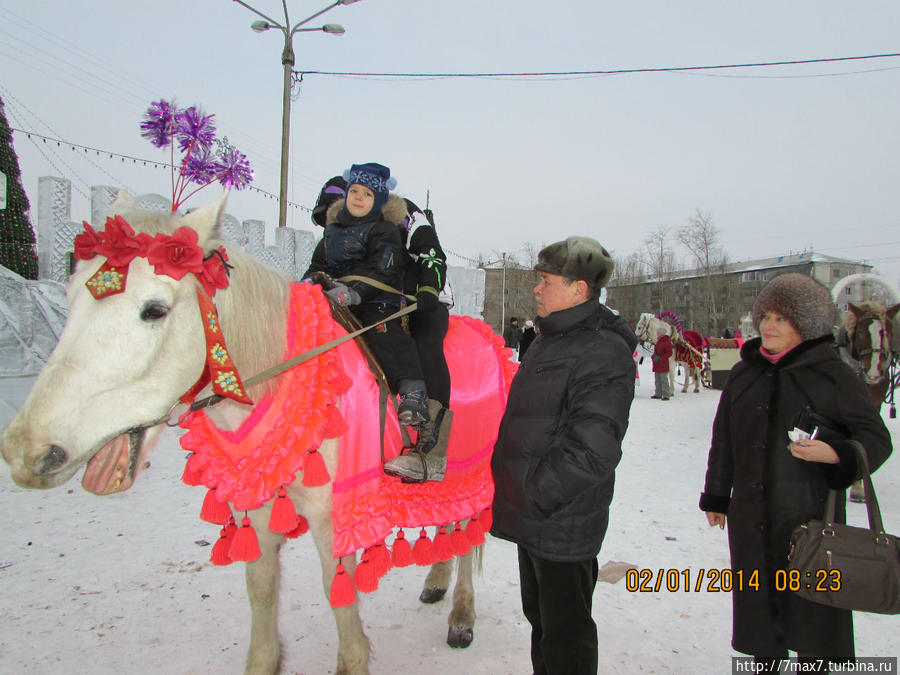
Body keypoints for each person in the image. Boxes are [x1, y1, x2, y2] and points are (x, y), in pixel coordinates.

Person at [699, 273, 892, 669]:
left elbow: (877, 439)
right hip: (750, 520)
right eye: (765, 316)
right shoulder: (744, 372)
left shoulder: (833, 374)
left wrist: (836, 454)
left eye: (782, 319)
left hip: (810, 523)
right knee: (761, 627)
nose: (768, 326)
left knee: (814, 625)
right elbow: (724, 439)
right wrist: (718, 496)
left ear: (806, 325)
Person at [490, 236, 637, 675]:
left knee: (566, 637)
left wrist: (535, 493)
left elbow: (594, 448)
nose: (536, 289)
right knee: (544, 627)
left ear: (578, 289)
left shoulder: (601, 349)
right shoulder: (550, 338)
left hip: (562, 517)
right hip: (536, 515)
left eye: (546, 281)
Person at [309, 176, 453, 482]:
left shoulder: (403, 212)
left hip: (419, 299)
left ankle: (431, 451)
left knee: (425, 341)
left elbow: (431, 251)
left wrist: (429, 287)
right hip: (365, 300)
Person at [303, 162, 429, 427]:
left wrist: (356, 293)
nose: (359, 198)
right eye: (355, 192)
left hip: (374, 300)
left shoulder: (384, 230)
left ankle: (413, 391)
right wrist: (306, 285)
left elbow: (385, 268)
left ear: (378, 200)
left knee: (383, 331)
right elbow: (318, 266)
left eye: (368, 194)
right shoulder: (331, 232)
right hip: (335, 298)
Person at [651, 327, 672, 400]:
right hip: (657, 364)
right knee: (657, 380)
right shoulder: (659, 341)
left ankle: (666, 394)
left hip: (663, 364)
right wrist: (653, 357)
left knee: (663, 380)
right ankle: (658, 393)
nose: (657, 334)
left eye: (658, 333)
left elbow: (669, 353)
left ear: (661, 334)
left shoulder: (666, 342)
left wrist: (661, 358)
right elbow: (656, 351)